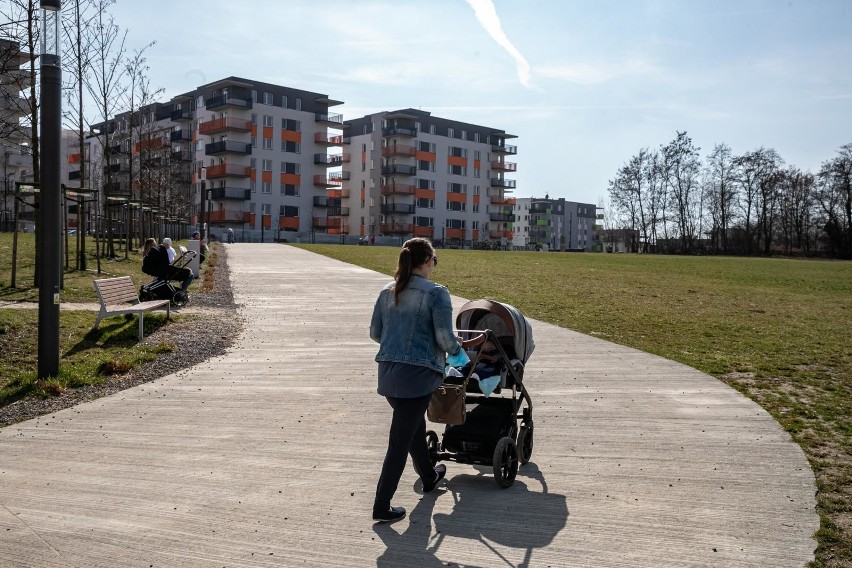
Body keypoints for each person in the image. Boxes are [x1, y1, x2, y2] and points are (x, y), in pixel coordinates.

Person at [369, 237, 468, 524]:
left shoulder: (387, 292)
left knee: (412, 428)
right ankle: (381, 505)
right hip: (419, 374)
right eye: (435, 260)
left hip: (389, 373)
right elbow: (445, 338)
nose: (434, 266)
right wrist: (459, 351)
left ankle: (428, 476)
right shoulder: (436, 293)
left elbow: (376, 333)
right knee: (399, 442)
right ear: (427, 261)